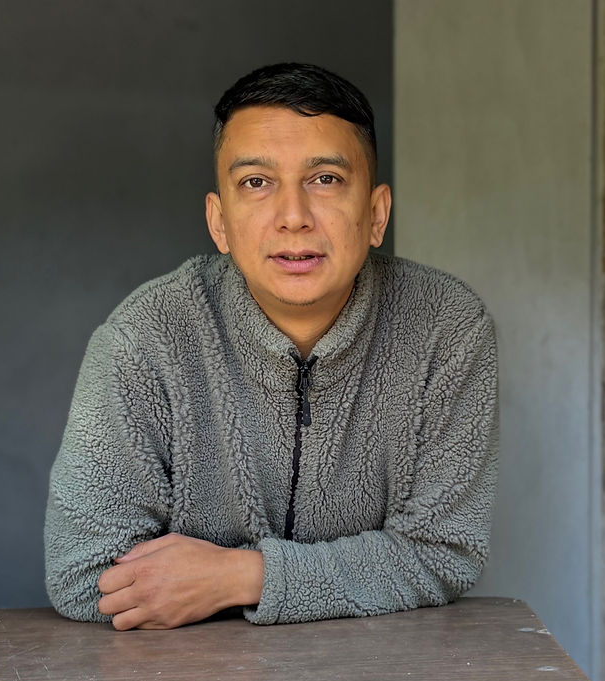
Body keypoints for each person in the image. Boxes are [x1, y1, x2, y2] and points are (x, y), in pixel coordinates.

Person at [45, 62, 497, 630]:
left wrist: (241, 577)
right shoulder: (146, 339)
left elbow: (445, 551)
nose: (293, 218)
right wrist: (361, 575)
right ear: (219, 222)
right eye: (256, 183)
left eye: (326, 179)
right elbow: (85, 575)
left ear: (377, 213)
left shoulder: (445, 325)